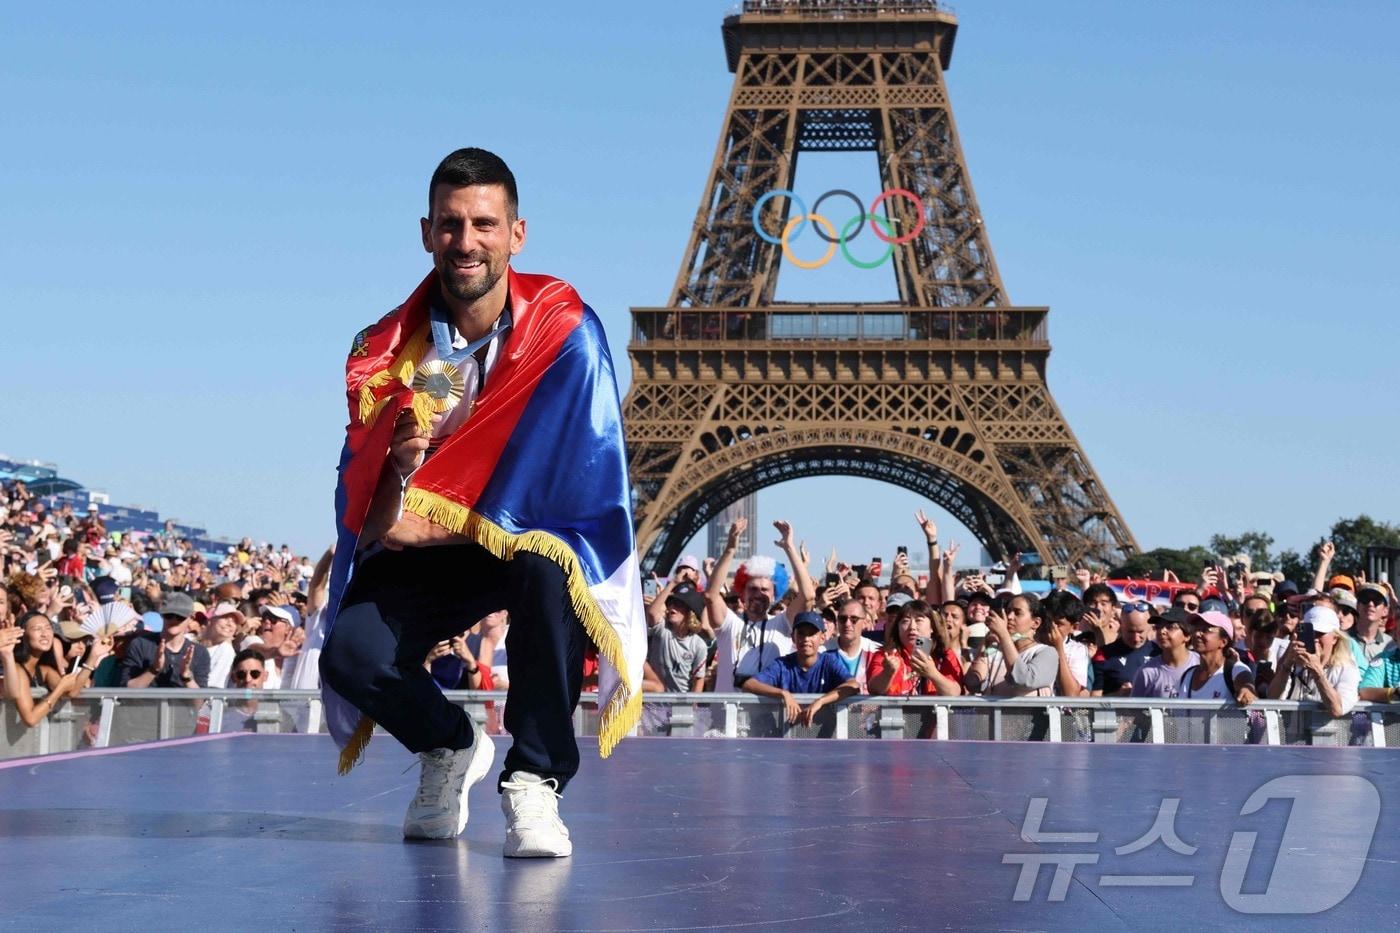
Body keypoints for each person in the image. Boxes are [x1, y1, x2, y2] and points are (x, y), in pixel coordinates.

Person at [317, 148, 645, 858]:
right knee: (348, 654)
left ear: (517, 234)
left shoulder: (565, 334)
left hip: (528, 540)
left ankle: (534, 777)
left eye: (484, 225)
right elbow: (366, 518)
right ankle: (450, 744)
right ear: (427, 231)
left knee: (550, 565)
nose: (466, 241)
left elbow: (579, 492)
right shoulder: (385, 354)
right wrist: (400, 472)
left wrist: (430, 520)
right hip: (430, 549)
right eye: (451, 224)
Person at [743, 611, 858, 736]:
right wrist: (783, 694)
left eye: (812, 634)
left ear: (822, 638)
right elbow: (749, 684)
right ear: (793, 637)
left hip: (825, 739)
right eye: (801, 633)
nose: (806, 639)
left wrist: (820, 701)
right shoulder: (782, 664)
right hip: (787, 738)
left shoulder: (829, 661)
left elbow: (853, 685)